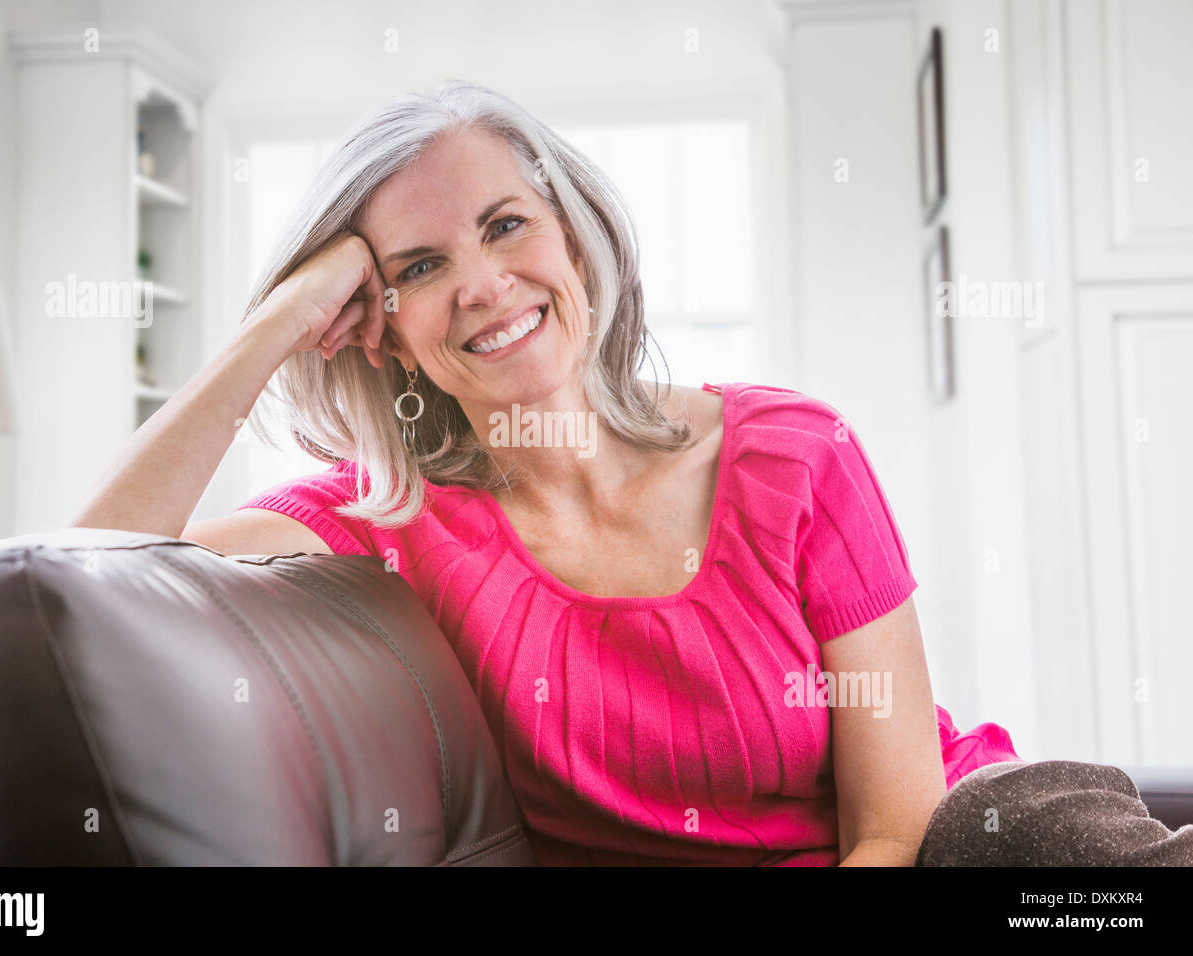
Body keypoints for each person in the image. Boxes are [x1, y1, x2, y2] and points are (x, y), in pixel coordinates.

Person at [71, 79, 1187, 866]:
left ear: (573, 236)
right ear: (384, 331)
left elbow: (894, 826)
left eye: (506, 225)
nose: (483, 284)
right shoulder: (387, 524)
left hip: (952, 840)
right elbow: (85, 579)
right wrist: (276, 323)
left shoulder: (798, 453)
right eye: (421, 265)